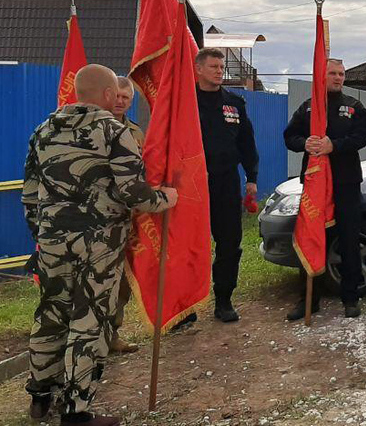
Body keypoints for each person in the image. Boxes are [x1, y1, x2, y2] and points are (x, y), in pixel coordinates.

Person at [22, 64, 177, 426]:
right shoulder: (112, 130)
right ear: (109, 94)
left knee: (51, 313)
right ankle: (77, 412)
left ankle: (40, 396)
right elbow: (131, 192)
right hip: (99, 242)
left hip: (53, 240)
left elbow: (30, 193)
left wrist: (43, 234)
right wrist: (165, 198)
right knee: (89, 322)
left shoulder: (43, 130)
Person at [283, 58, 366, 320]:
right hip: (315, 185)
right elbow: (289, 137)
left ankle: (350, 297)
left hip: (346, 182)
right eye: (332, 73)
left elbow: (362, 137)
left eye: (341, 74)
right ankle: (309, 299)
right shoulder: (309, 107)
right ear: (321, 76)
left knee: (348, 239)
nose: (337, 78)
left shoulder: (353, 107)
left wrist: (335, 145)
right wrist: (305, 143)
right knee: (311, 237)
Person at [194, 48, 259, 323]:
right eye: (213, 66)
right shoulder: (184, 100)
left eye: (221, 67)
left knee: (229, 242)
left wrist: (252, 178)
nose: (220, 71)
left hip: (226, 181)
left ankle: (223, 299)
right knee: (189, 245)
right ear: (198, 69)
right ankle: (184, 306)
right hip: (192, 184)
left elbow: (246, 142)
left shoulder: (234, 102)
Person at [105, 77, 144, 354]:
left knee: (122, 282)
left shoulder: (136, 133)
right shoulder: (92, 129)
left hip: (127, 218)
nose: (120, 102)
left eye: (125, 98)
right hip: (98, 219)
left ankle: (112, 333)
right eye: (116, 96)